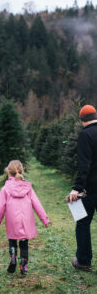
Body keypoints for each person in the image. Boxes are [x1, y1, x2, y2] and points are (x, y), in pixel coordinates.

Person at [0, 160, 49, 275]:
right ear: (21, 171)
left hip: (12, 219)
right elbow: (36, 203)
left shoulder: (5, 189)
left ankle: (13, 257)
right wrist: (44, 219)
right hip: (26, 219)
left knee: (12, 239)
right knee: (24, 241)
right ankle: (23, 264)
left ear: (8, 172)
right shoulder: (27, 188)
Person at [68, 105, 97, 272]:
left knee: (82, 223)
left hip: (90, 190)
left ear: (83, 120)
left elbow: (84, 165)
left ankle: (84, 261)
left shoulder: (86, 135)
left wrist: (76, 188)